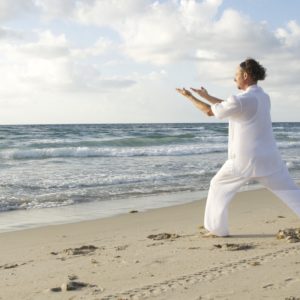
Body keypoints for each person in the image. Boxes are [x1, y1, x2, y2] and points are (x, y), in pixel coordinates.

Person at [176, 58, 300, 237]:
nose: (234, 79)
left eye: (236, 75)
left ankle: (217, 230)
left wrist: (190, 97)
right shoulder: (262, 97)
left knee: (217, 186)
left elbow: (210, 111)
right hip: (270, 159)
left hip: (244, 161)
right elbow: (231, 106)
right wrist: (207, 96)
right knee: (291, 192)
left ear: (245, 75)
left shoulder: (241, 100)